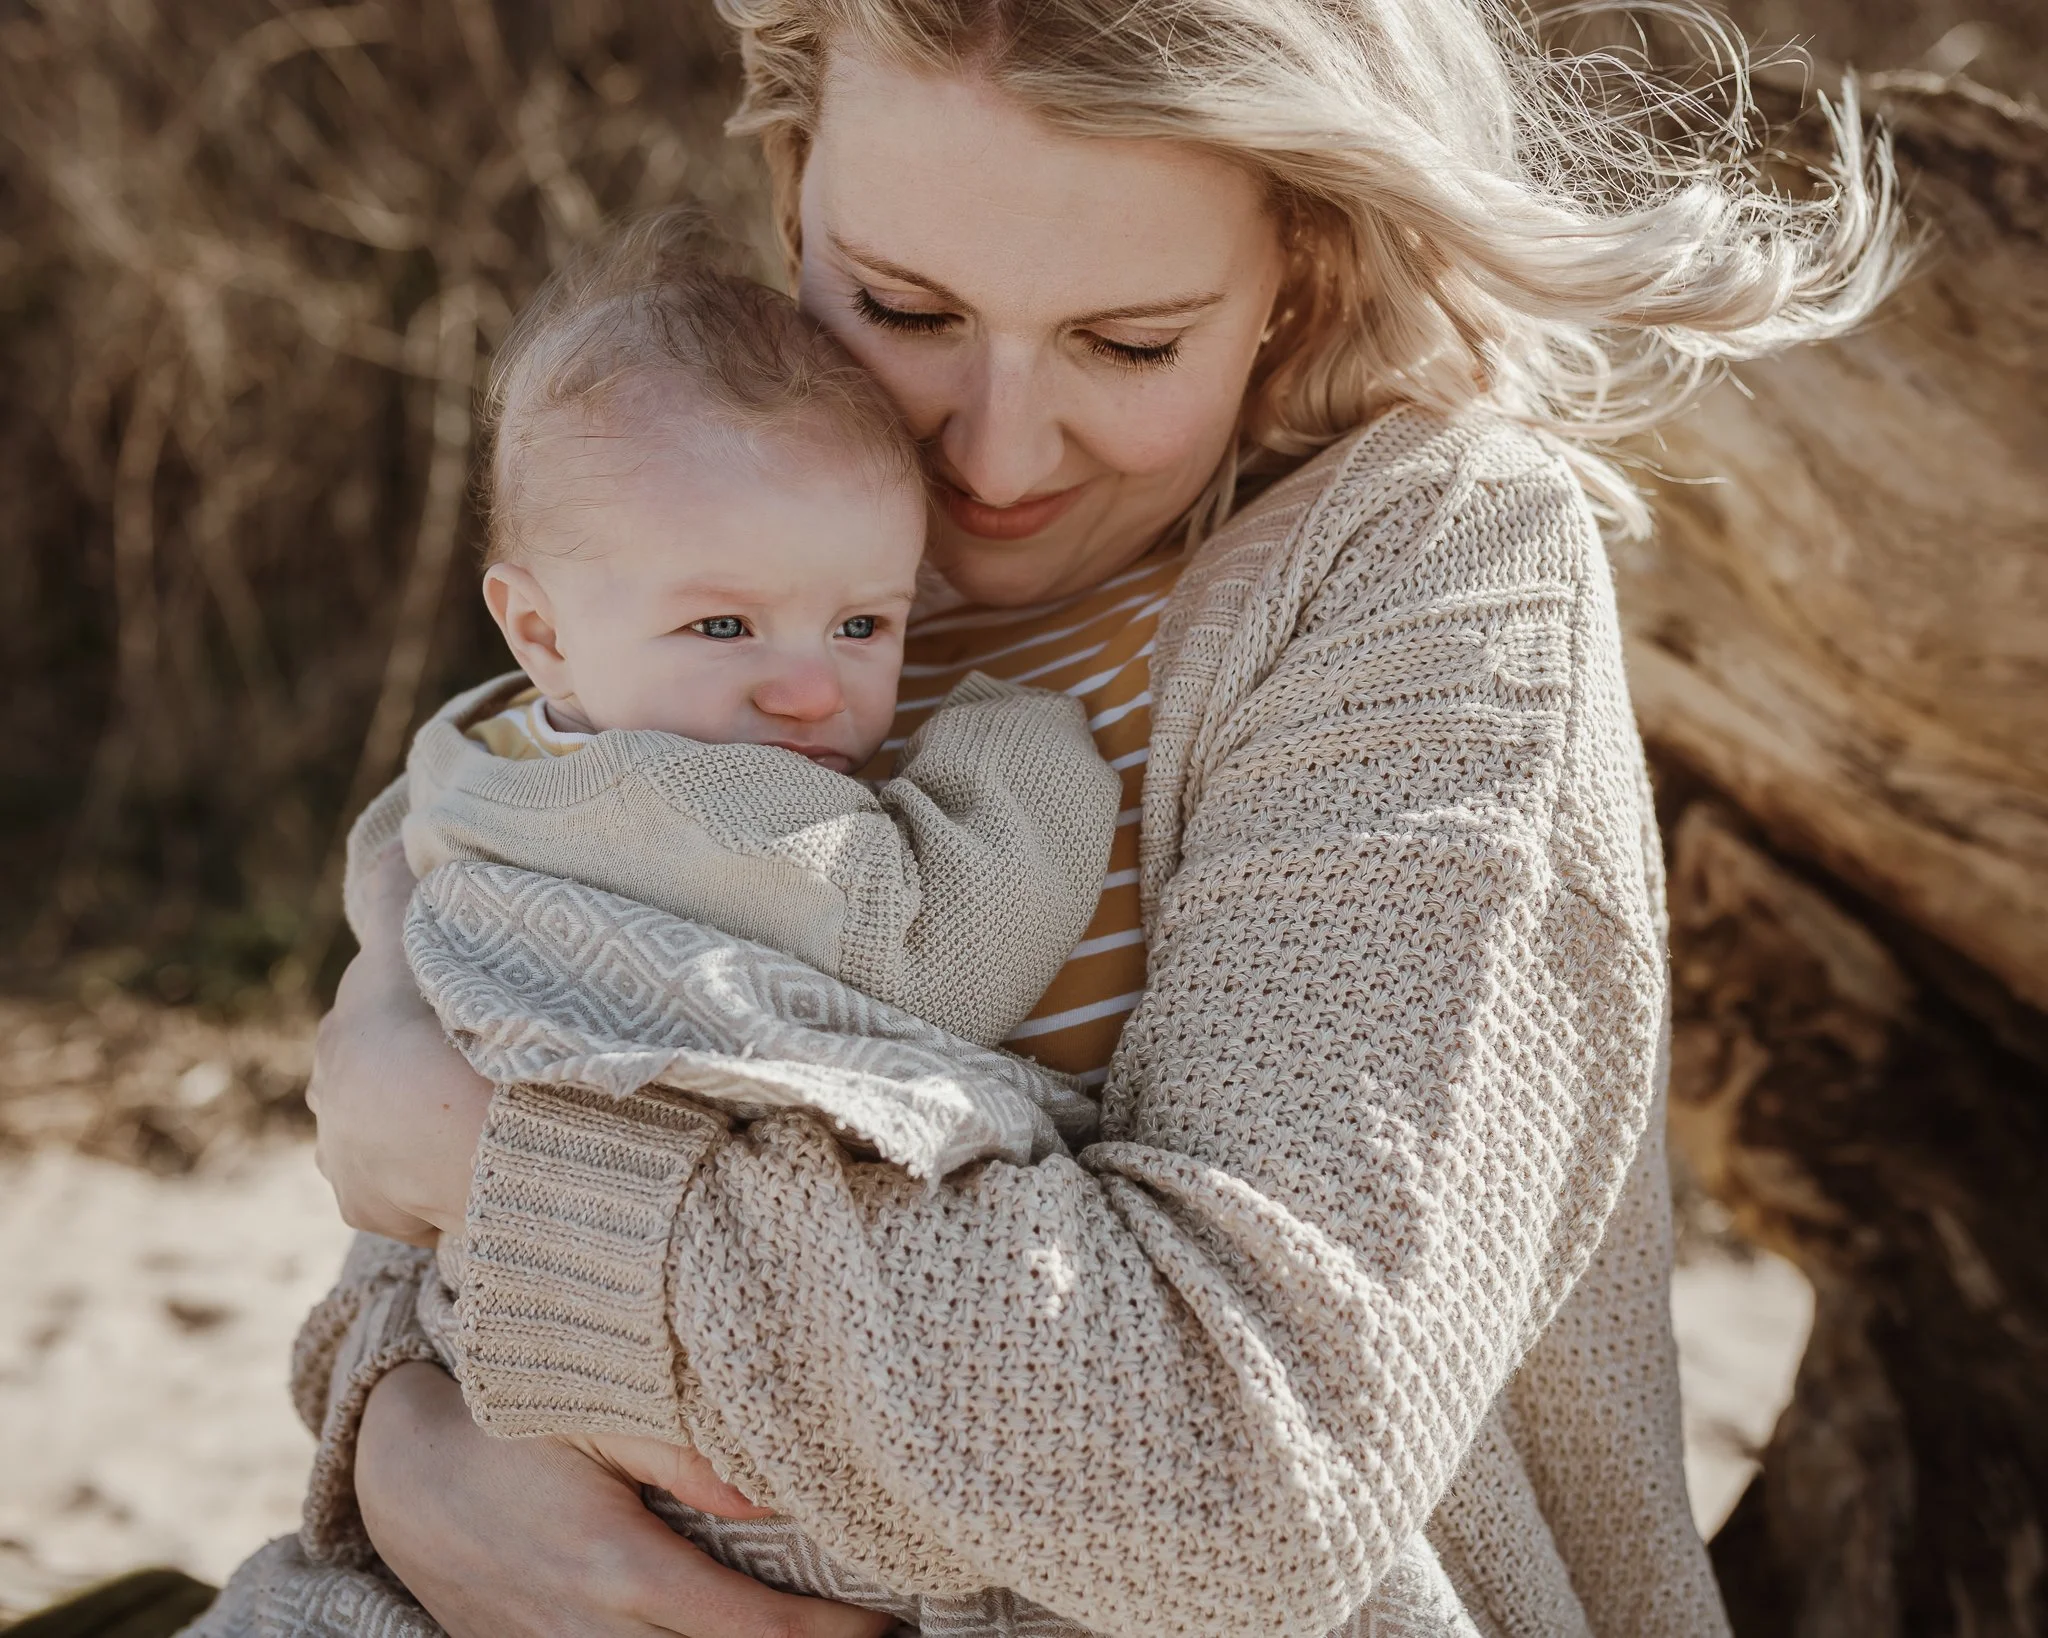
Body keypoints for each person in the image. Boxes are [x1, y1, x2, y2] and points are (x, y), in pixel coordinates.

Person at [211, 0, 1905, 1633]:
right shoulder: (757, 542)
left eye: (1127, 340)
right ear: (794, 183)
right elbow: (426, 1239)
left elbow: (1246, 1470)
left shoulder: (1422, 578)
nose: (992, 455)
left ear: (1293, 272)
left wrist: (515, 1180)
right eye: (903, 306)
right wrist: (399, 1453)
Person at [399, 210, 1119, 1055]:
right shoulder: (711, 809)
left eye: (862, 624)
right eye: (723, 625)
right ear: (543, 635)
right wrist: (1022, 754)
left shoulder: (471, 748)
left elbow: (387, 858)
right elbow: (931, 974)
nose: (811, 695)